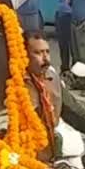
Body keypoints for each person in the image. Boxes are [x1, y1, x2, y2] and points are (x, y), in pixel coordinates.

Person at [23, 31, 63, 161]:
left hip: (49, 152)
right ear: (25, 55)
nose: (46, 58)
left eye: (47, 52)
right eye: (38, 53)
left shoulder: (52, 77)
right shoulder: (16, 82)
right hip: (25, 154)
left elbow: (73, 110)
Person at [53, 0, 76, 74]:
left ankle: (74, 70)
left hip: (69, 14)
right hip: (59, 13)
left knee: (72, 44)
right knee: (62, 44)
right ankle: (65, 68)